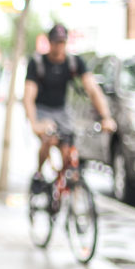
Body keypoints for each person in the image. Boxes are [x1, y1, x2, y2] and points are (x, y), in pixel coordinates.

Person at [24, 23, 117, 191]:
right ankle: (38, 174)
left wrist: (106, 117)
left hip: (62, 110)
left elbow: (93, 90)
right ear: (49, 42)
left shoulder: (74, 62)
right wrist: (34, 123)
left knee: (68, 149)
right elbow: (28, 97)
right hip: (42, 110)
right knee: (49, 137)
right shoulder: (37, 63)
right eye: (55, 42)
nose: (59, 46)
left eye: (62, 42)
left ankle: (63, 189)